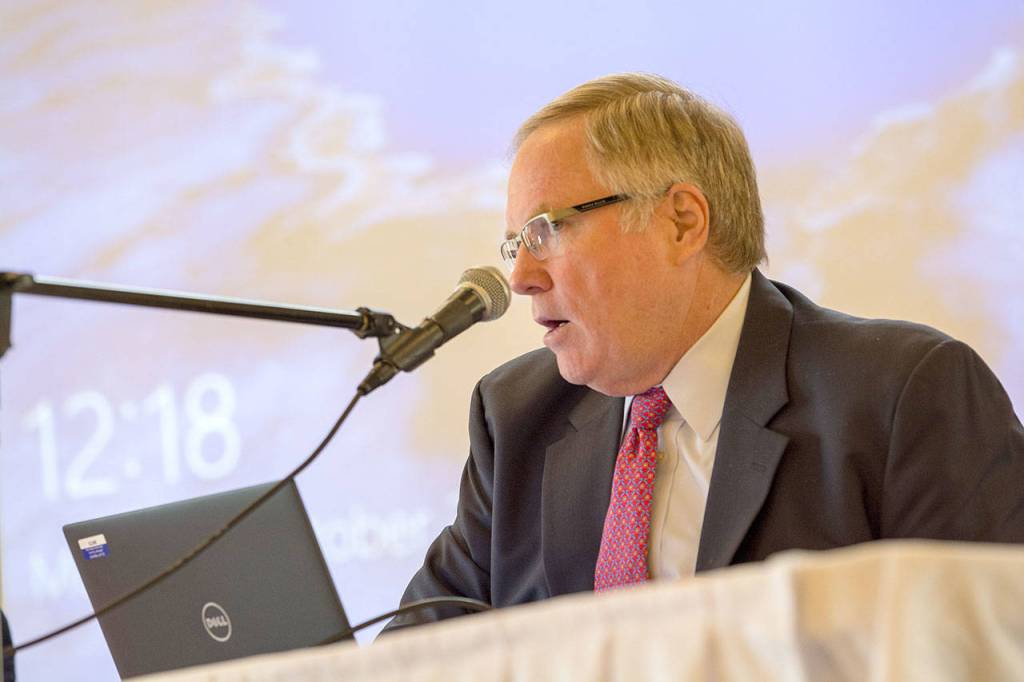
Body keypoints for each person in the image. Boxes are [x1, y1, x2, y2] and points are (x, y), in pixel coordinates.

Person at [386, 73, 1024, 629]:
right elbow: (413, 656)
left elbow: (987, 646)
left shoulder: (902, 394)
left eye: (546, 231)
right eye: (514, 243)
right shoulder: (516, 415)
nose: (521, 274)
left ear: (682, 222)